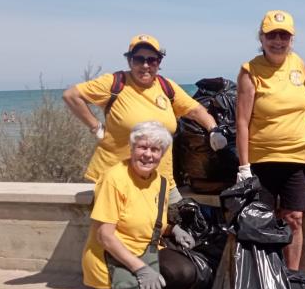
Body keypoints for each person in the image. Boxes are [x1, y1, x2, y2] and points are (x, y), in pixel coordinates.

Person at [57, 121, 196, 289]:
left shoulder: (159, 182)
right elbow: (105, 236)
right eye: (143, 147)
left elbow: (147, 221)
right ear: (131, 149)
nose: (148, 154)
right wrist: (141, 270)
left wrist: (174, 229)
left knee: (185, 273)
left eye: (155, 149)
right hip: (110, 261)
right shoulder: (114, 179)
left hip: (146, 253)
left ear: (162, 154)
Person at [63, 34, 226, 208]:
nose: (145, 65)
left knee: (175, 226)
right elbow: (72, 95)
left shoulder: (167, 87)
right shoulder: (115, 83)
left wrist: (213, 129)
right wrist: (95, 127)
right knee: (120, 232)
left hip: (163, 180)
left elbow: (195, 110)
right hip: (118, 179)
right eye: (139, 59)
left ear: (159, 62)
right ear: (129, 61)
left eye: (152, 60)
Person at [235, 11, 305, 270]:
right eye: (272, 35)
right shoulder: (250, 70)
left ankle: (292, 276)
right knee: (262, 222)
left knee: (294, 219)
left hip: (297, 158)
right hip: (262, 160)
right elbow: (242, 122)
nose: (278, 40)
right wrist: (244, 167)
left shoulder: (299, 64)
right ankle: (267, 280)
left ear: (292, 38)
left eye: (284, 35)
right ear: (262, 37)